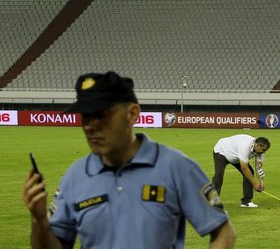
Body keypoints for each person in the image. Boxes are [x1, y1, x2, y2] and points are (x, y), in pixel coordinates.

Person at [22, 71, 235, 248]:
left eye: (101, 115)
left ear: (132, 114)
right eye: (85, 117)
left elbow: (223, 232)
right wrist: (39, 220)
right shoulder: (74, 177)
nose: (90, 126)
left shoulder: (177, 167)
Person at [212, 134, 270, 208]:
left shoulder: (260, 152)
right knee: (218, 175)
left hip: (236, 156)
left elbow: (258, 167)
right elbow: (244, 169)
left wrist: (261, 182)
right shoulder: (245, 146)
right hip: (221, 151)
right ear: (258, 146)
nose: (264, 152)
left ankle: (246, 201)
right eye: (264, 150)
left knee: (250, 172)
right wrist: (254, 185)